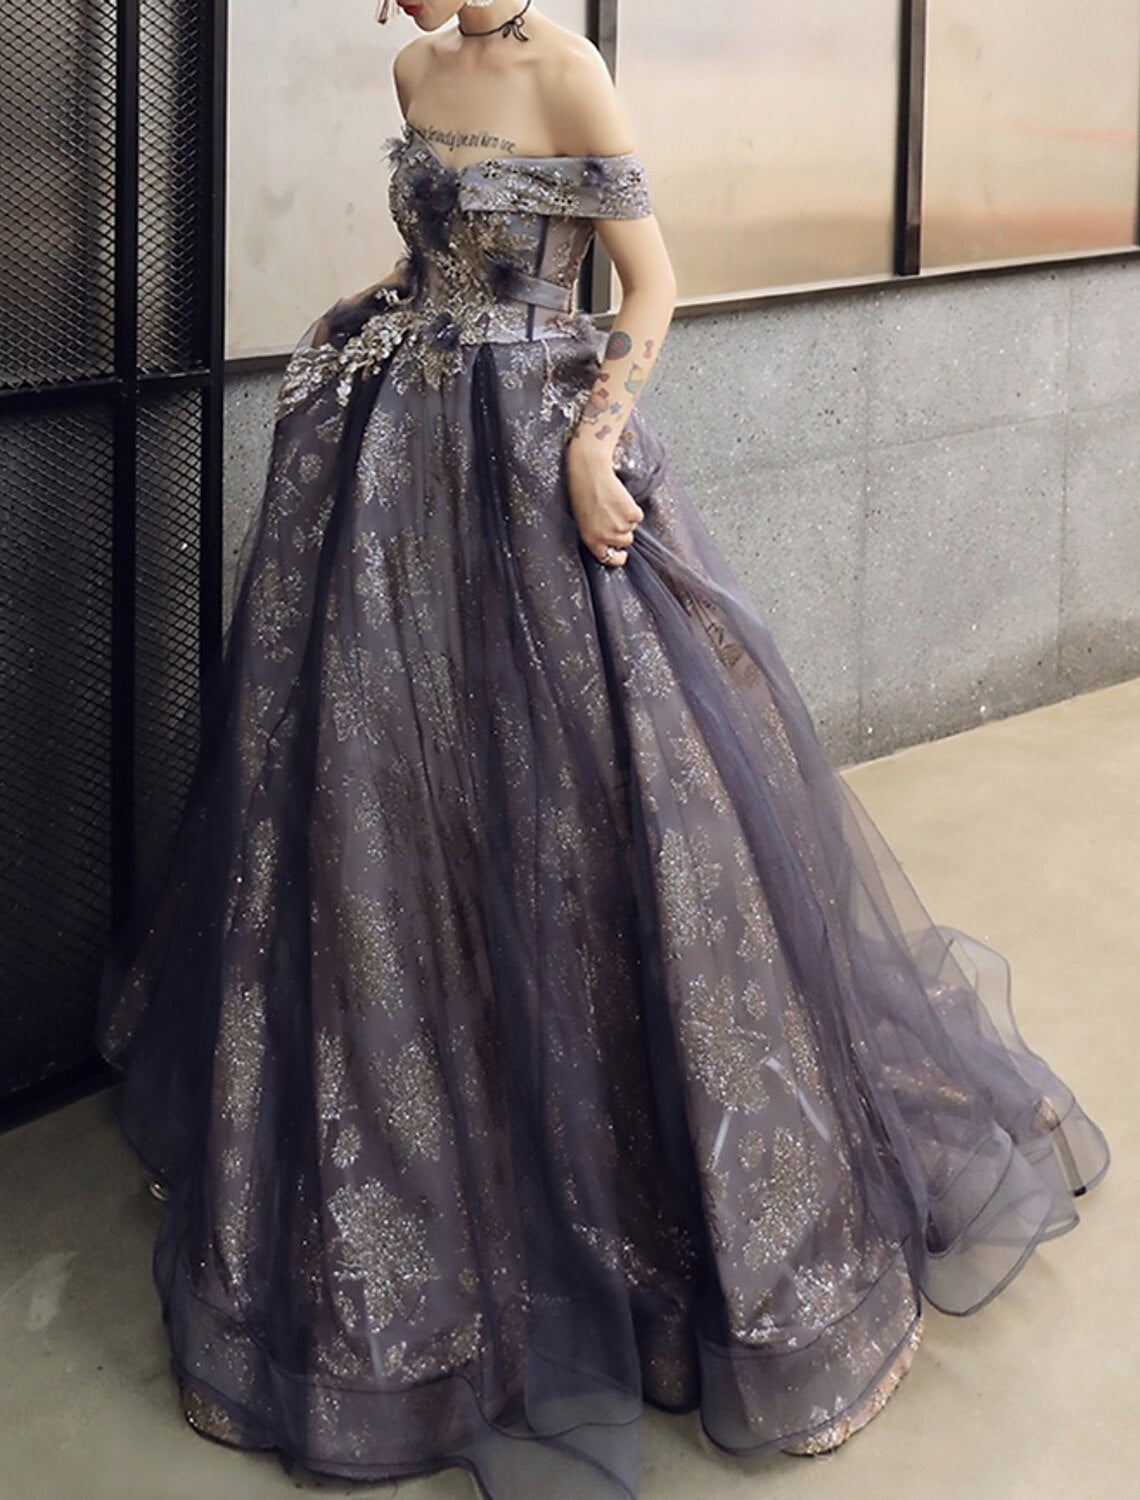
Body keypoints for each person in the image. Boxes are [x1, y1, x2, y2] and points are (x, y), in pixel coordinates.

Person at [96, 4, 1111, 1497]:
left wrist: (591, 442)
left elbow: (651, 280)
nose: (392, 5)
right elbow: (440, 262)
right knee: (387, 811)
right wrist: (371, 311)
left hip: (533, 462)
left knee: (591, 810)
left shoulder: (568, 71)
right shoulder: (415, 66)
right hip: (403, 474)